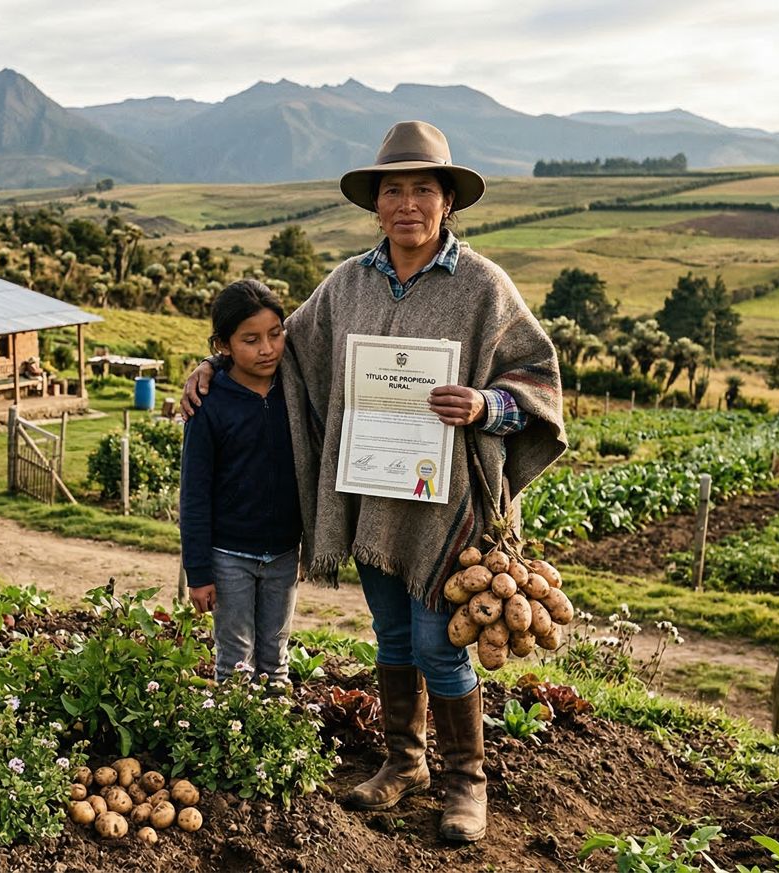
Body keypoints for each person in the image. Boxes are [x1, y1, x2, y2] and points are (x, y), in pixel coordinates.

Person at [183, 121, 566, 842]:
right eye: (394, 189)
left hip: (446, 502)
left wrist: (487, 404)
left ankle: (466, 782)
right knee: (392, 634)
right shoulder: (348, 285)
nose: (408, 204)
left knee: (438, 641)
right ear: (376, 203)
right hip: (370, 497)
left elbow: (537, 382)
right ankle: (405, 762)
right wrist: (211, 370)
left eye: (424, 188)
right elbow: (280, 351)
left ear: (448, 200)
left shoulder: (483, 286)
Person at [179, 279, 302, 685]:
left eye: (275, 334)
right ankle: (236, 739)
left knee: (276, 658)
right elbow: (194, 495)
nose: (267, 348)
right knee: (235, 661)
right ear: (224, 345)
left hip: (284, 552)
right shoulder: (208, 405)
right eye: (250, 339)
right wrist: (198, 572)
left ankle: (274, 741)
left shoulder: (296, 390)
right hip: (229, 555)